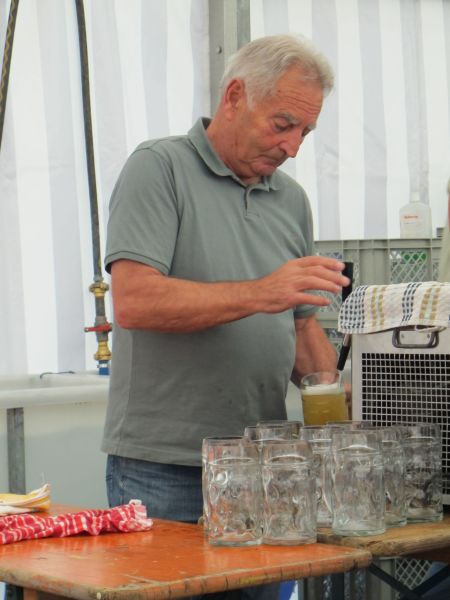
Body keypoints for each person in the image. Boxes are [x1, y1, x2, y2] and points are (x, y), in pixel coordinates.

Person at [102, 34, 349, 599]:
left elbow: (299, 326)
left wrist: (341, 399)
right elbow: (135, 301)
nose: (293, 147)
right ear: (235, 95)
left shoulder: (291, 199)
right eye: (283, 124)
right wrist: (262, 292)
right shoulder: (159, 168)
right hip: (167, 467)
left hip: (265, 467)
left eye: (306, 132)